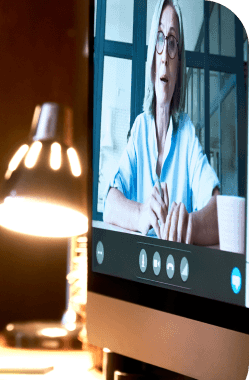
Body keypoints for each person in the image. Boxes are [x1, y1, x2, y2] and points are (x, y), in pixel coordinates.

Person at [103, 0, 220, 245]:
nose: (165, 56)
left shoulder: (186, 133)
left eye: (172, 43)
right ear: (151, 61)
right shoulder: (139, 129)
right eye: (159, 39)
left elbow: (218, 211)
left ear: (178, 67)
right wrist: (141, 213)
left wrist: (188, 225)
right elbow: (110, 204)